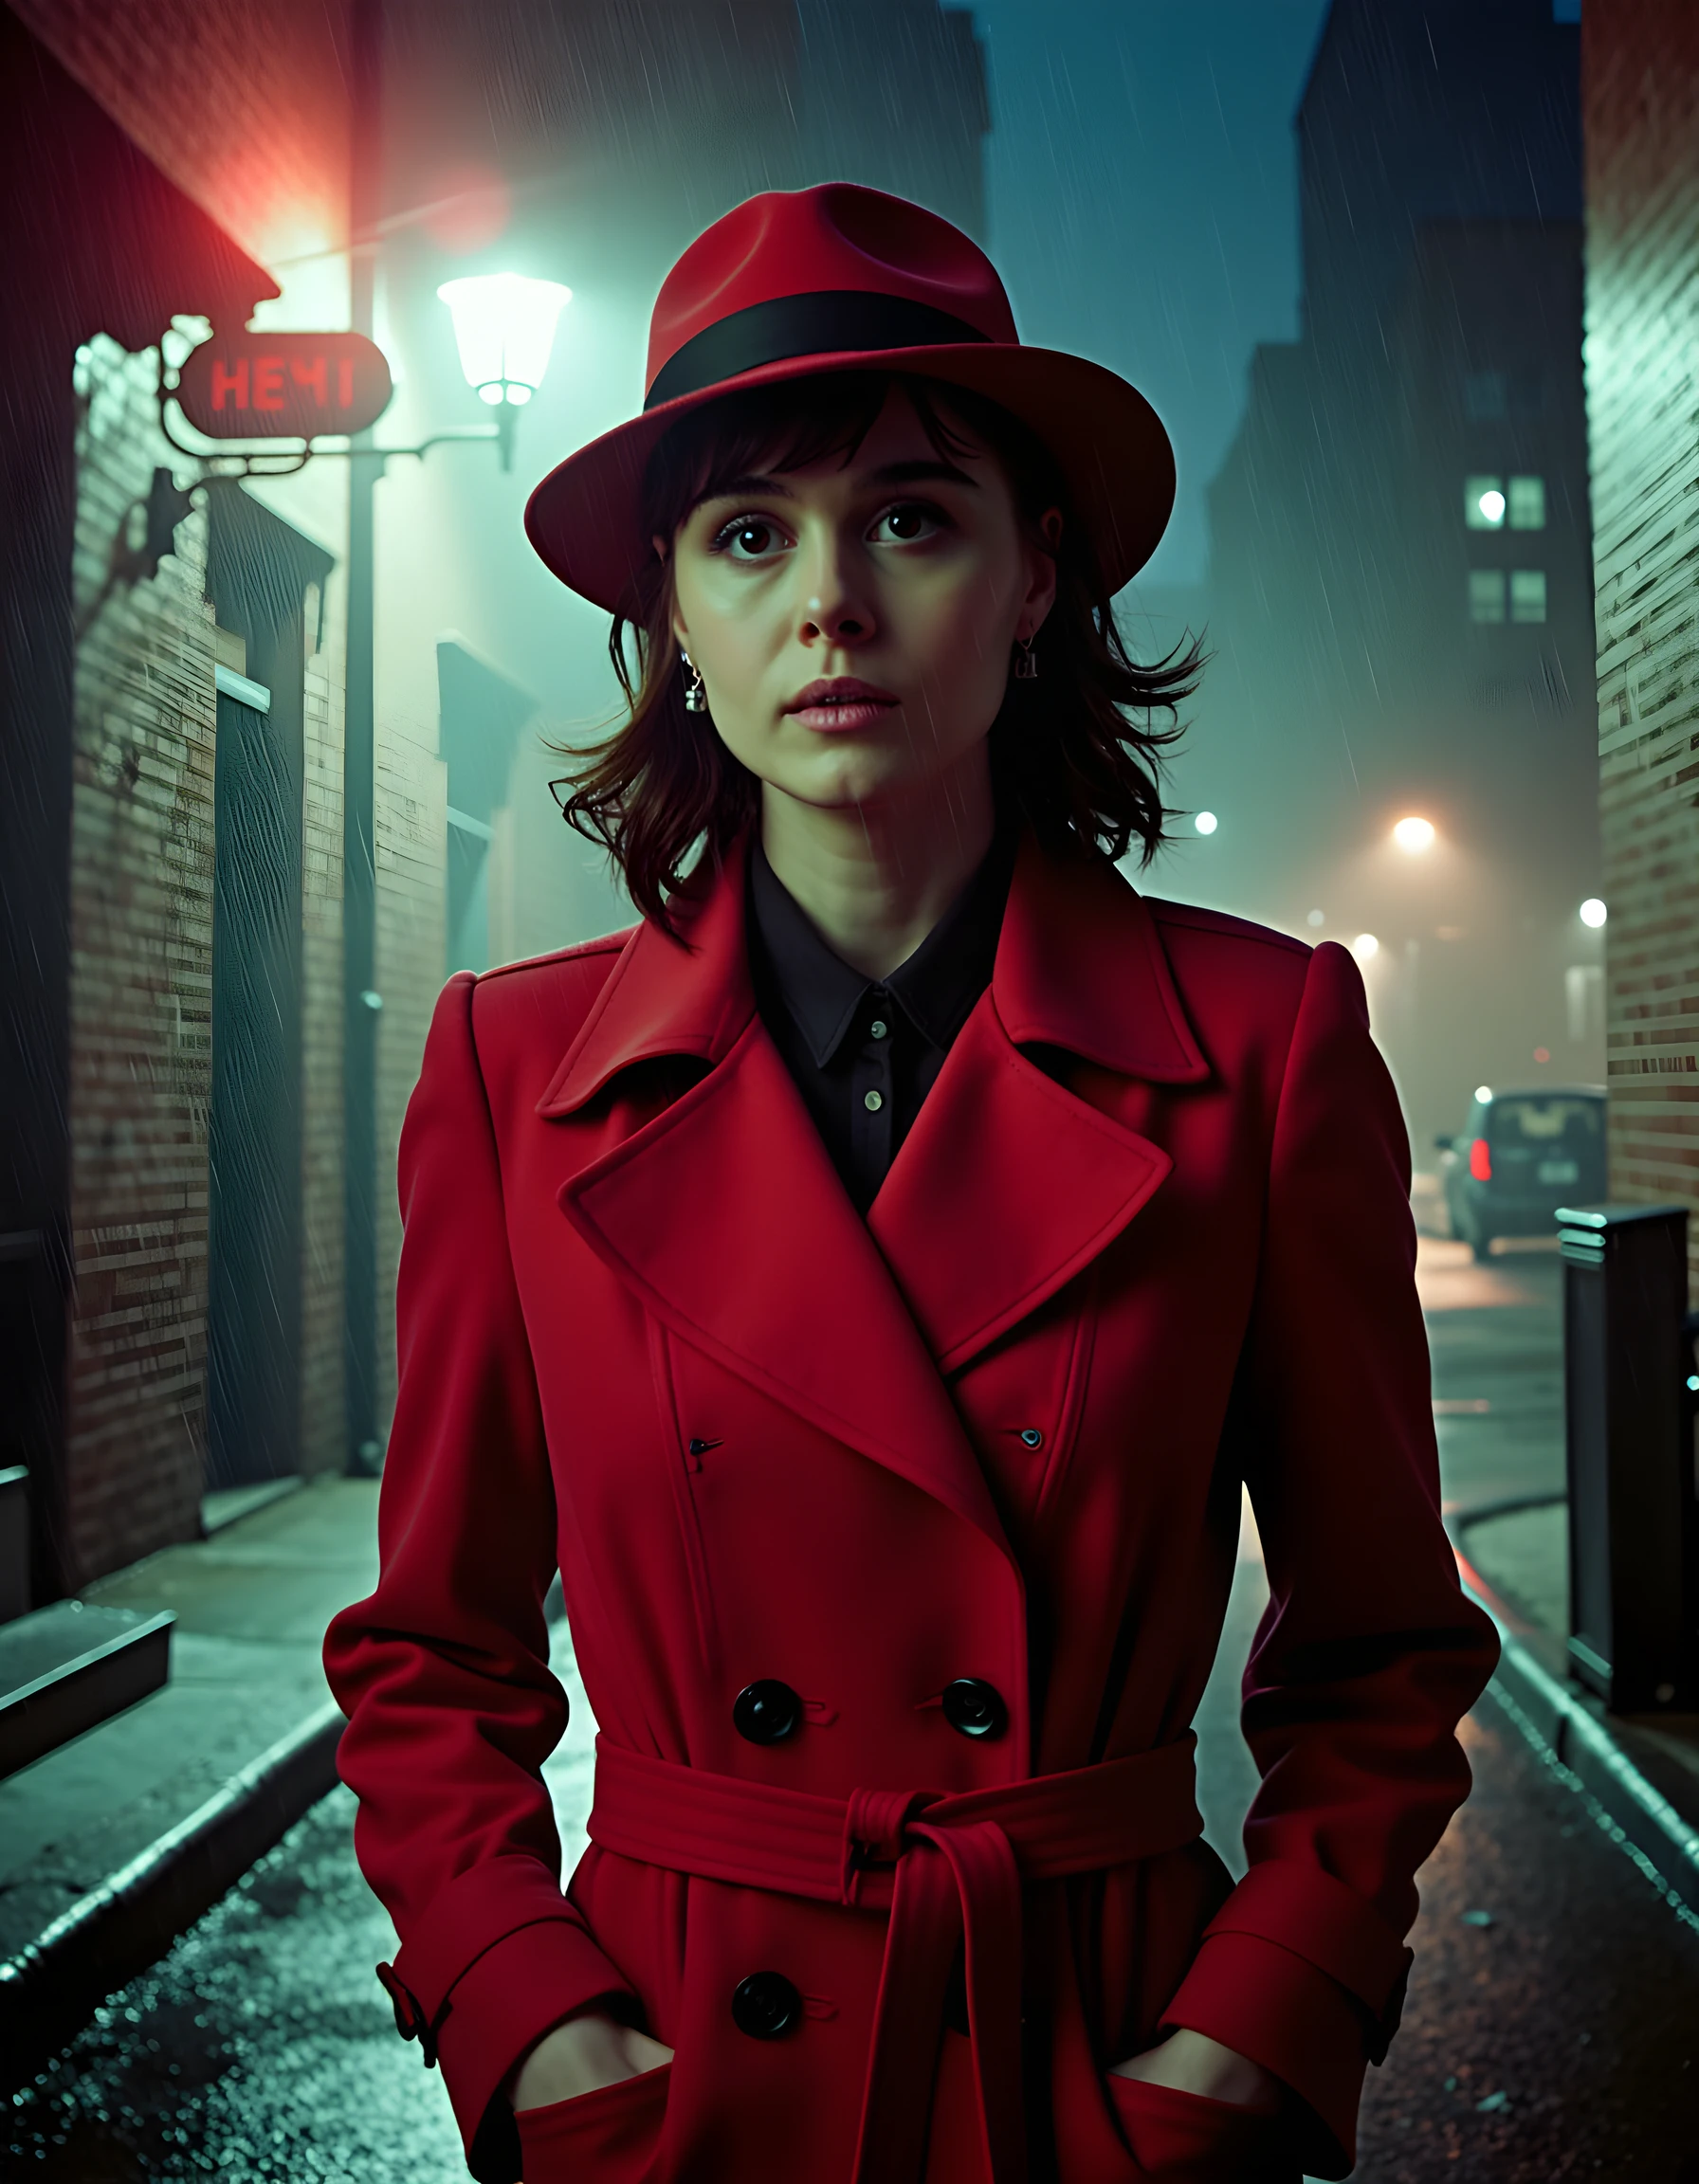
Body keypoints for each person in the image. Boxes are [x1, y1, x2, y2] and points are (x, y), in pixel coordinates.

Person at [323, 183, 1498, 2184]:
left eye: (911, 517)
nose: (829, 603)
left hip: (1095, 2059)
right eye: (748, 533)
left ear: (1035, 578)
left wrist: (1243, 2036)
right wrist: (535, 2029)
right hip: (686, 2090)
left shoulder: (1261, 1043)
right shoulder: (512, 1074)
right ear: (672, 620)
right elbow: (434, 1652)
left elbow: (1378, 1649)